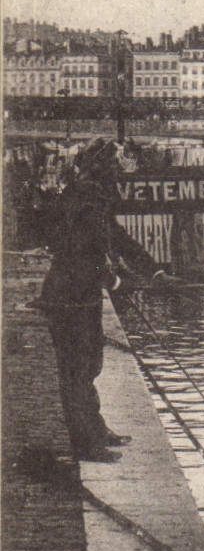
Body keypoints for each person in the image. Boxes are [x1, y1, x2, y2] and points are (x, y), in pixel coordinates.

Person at [35, 140, 169, 462]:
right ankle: (86, 444)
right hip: (70, 298)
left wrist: (154, 271)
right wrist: (114, 281)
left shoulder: (93, 199)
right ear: (105, 172)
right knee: (77, 370)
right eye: (116, 173)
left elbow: (118, 239)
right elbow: (84, 251)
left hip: (82, 295)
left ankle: (95, 430)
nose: (119, 181)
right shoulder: (86, 199)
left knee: (89, 365)